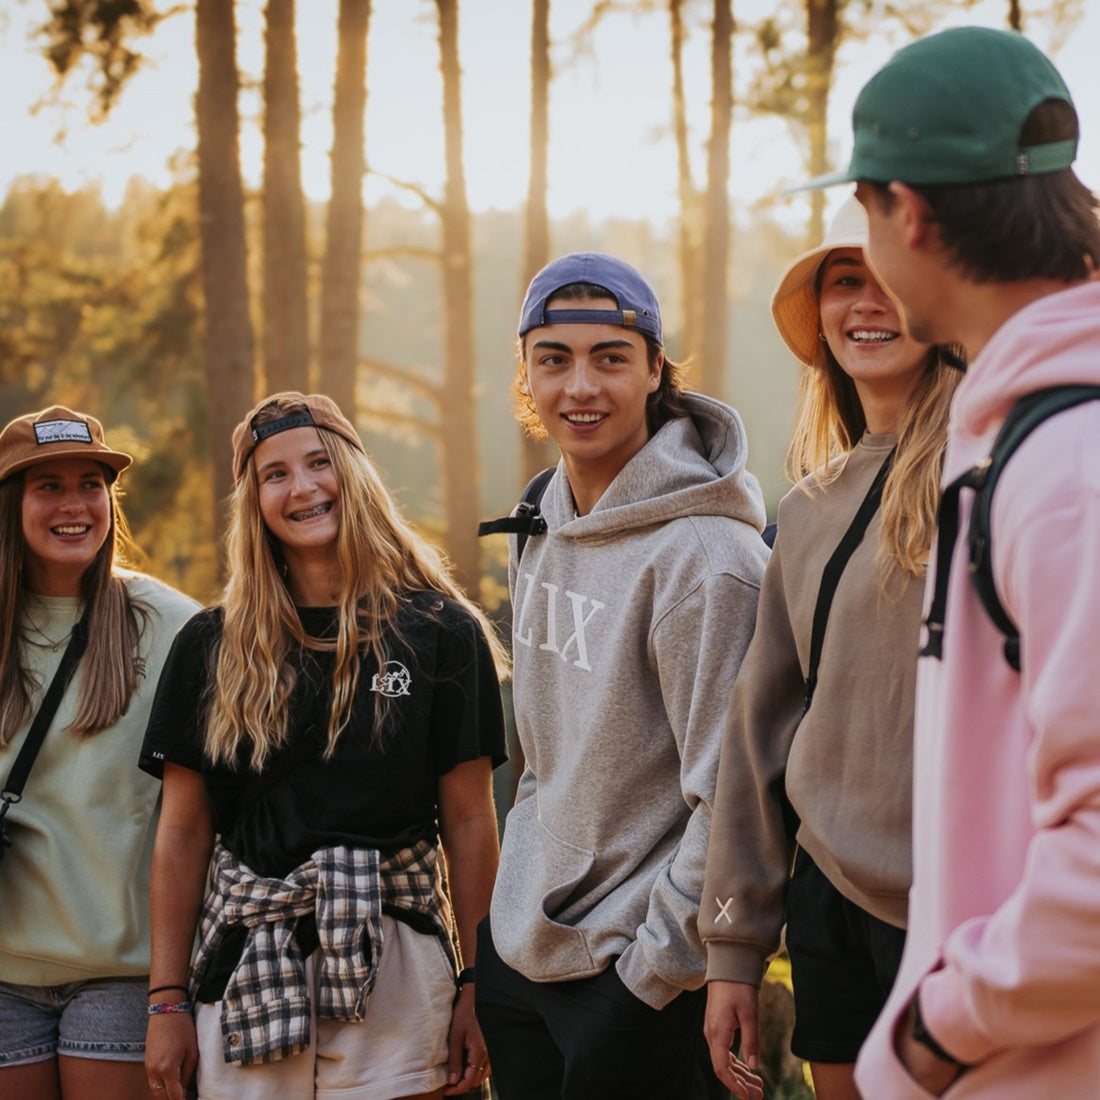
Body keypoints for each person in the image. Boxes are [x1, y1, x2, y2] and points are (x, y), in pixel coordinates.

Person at [803, 26, 1100, 1098]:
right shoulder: (1030, 428)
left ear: (910, 214)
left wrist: (935, 1029)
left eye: (864, 211)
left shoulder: (1067, 465)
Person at [139, 392, 508, 1100]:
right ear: (254, 501)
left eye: (318, 463)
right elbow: (182, 832)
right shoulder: (210, 645)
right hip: (250, 949)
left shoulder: (439, 633)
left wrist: (477, 983)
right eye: (275, 474)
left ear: (354, 473)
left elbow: (468, 820)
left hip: (395, 946)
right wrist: (166, 1000)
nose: (303, 487)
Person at [474, 252, 770, 1099]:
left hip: (640, 980)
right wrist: (504, 937)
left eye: (611, 357)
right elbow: (540, 759)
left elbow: (734, 798)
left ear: (654, 372)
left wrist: (652, 975)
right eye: (554, 360)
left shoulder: (709, 562)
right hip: (524, 959)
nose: (582, 387)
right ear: (526, 375)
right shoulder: (542, 522)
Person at [699, 198, 960, 1100]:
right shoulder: (807, 510)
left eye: (888, 276)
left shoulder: (997, 469)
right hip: (832, 906)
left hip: (966, 913)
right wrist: (734, 943)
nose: (866, 303)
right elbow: (758, 730)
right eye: (845, 282)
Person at [0, 405, 199, 1100]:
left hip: (127, 972)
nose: (75, 504)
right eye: (46, 486)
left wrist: (173, 995)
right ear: (11, 506)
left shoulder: (174, 627)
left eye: (91, 483)